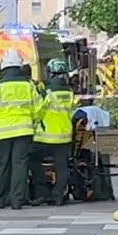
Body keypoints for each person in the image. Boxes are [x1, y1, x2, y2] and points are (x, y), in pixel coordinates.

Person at [0, 49, 42, 210]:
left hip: (2, 132)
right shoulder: (29, 84)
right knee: (20, 165)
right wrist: (33, 121)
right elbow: (38, 108)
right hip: (24, 131)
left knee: (2, 165)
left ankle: (0, 199)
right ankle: (17, 200)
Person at [31, 58, 76, 206]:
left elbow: (37, 113)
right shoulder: (69, 92)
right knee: (62, 167)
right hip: (64, 137)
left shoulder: (46, 92)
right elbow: (72, 111)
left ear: (50, 73)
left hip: (44, 138)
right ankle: (57, 196)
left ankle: (42, 192)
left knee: (32, 160)